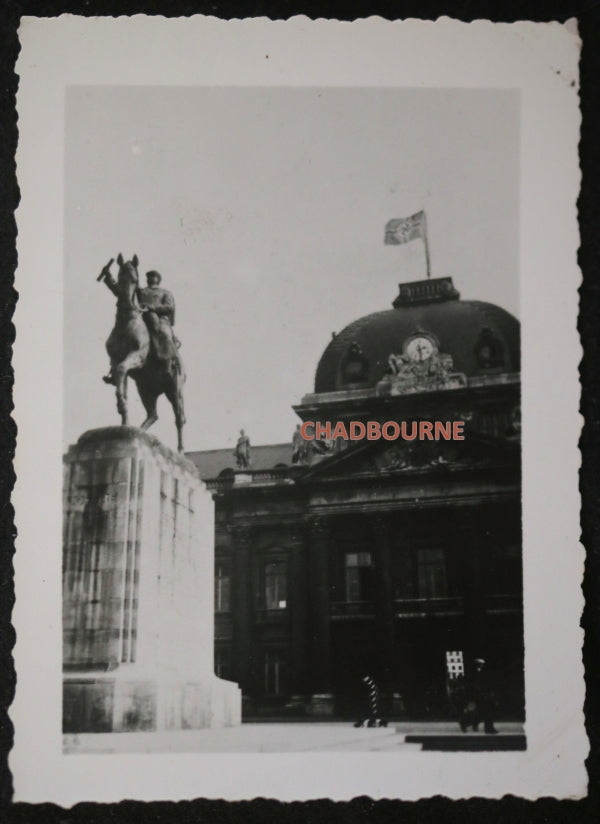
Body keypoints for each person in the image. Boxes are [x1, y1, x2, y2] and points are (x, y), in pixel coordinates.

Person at [102, 268, 182, 384]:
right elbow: (123, 293)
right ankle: (114, 372)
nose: (150, 279)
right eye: (148, 277)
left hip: (160, 320)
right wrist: (109, 278)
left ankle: (168, 364)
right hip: (142, 318)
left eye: (153, 277)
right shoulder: (141, 291)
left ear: (158, 280)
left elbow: (169, 308)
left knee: (164, 334)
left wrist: (152, 308)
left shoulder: (165, 293)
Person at [459, 658, 498, 734]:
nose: (482, 665)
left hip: (481, 695)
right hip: (476, 695)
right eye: (481, 664)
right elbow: (472, 685)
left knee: (484, 712)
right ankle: (465, 723)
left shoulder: (480, 672)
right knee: (480, 712)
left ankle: (487, 728)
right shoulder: (473, 673)